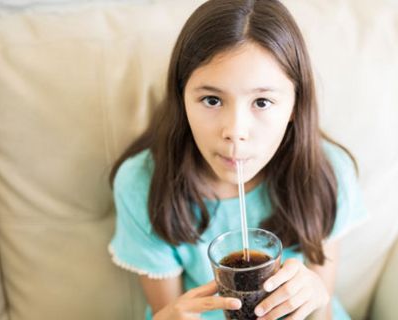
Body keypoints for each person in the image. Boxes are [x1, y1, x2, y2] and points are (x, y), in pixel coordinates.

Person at [108, 0, 368, 319]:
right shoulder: (144, 185)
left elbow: (322, 312)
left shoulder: (326, 173)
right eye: (212, 100)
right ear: (181, 99)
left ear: (295, 106)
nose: (234, 131)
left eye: (261, 101)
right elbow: (168, 310)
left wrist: (317, 298)